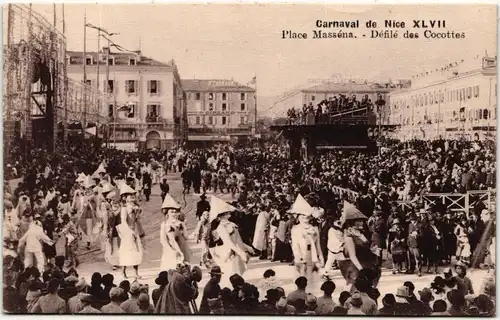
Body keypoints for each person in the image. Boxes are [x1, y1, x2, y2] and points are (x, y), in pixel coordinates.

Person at [208, 196, 251, 288]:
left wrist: (246, 247)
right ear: (221, 216)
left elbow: (237, 238)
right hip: (228, 251)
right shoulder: (221, 228)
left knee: (236, 271)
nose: (229, 214)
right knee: (231, 272)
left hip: (234, 249)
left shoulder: (230, 224)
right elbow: (228, 242)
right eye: (226, 213)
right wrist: (241, 252)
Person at [338, 201, 380, 290]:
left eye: (362, 220)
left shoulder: (361, 233)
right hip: (357, 268)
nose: (361, 223)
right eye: (358, 221)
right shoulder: (349, 236)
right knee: (358, 290)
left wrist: (373, 250)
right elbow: (352, 256)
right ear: (352, 222)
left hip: (368, 264)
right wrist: (361, 270)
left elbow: (366, 247)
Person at [290, 195, 324, 280]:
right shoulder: (295, 229)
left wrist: (321, 257)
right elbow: (295, 246)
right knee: (302, 280)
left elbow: (318, 245)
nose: (305, 217)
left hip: (313, 259)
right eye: (302, 215)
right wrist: (299, 258)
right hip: (302, 260)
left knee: (314, 280)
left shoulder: (314, 228)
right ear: (298, 217)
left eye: (306, 215)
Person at [117, 184, 144, 279]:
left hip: (134, 229)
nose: (132, 197)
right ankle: (123, 271)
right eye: (130, 195)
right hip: (127, 231)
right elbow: (123, 222)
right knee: (127, 251)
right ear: (125, 198)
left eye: (133, 195)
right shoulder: (124, 209)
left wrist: (137, 213)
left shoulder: (135, 207)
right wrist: (130, 231)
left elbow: (136, 220)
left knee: (137, 251)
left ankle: (135, 272)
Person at [159, 194, 190, 271]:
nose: (174, 214)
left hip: (183, 248)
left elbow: (186, 237)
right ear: (167, 213)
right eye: (172, 212)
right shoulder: (164, 224)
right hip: (171, 251)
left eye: (175, 212)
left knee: (184, 270)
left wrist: (184, 227)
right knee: (172, 270)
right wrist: (172, 250)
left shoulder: (180, 223)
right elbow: (163, 240)